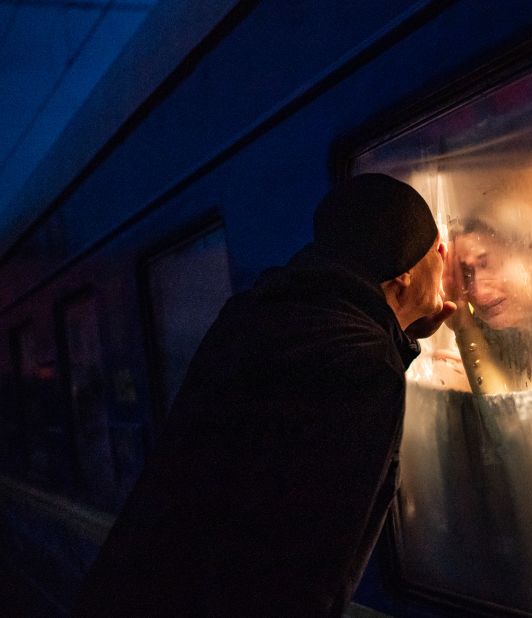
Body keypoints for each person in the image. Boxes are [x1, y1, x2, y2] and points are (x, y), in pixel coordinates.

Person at [73, 174, 455, 617]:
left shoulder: (257, 316)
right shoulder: (363, 370)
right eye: (435, 252)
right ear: (404, 277)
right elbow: (308, 573)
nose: (445, 258)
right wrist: (389, 350)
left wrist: (399, 334)